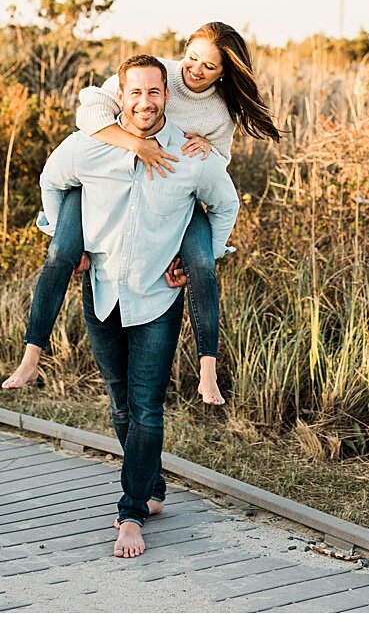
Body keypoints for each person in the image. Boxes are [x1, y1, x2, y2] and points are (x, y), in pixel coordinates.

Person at [3, 21, 279, 405]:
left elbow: (220, 163)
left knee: (201, 262)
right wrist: (137, 145)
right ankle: (31, 355)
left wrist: (206, 148)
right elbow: (90, 116)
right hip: (106, 176)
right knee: (60, 253)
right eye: (193, 57)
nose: (196, 69)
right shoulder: (156, 72)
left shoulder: (222, 111)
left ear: (224, 74)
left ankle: (208, 371)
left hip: (176, 189)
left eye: (210, 67)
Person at [36, 54, 239, 557]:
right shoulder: (90, 147)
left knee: (147, 407)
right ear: (120, 96)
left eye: (154, 93)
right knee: (120, 401)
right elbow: (51, 180)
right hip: (103, 290)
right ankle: (154, 486)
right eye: (135, 93)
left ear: (166, 96)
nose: (145, 102)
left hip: (157, 297)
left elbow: (226, 204)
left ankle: (130, 512)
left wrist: (200, 259)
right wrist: (67, 239)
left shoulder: (193, 154)